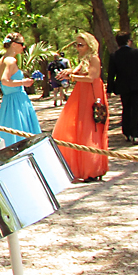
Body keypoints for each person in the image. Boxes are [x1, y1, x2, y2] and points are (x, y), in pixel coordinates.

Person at [53, 31, 108, 181]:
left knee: (91, 128)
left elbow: (92, 77)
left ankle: (93, 168)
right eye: (76, 44)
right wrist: (68, 72)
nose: (77, 47)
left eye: (80, 45)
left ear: (89, 45)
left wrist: (71, 76)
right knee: (79, 128)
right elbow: (78, 71)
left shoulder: (94, 58)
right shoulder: (83, 59)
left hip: (91, 93)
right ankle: (82, 166)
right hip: (81, 93)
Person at [0, 33, 41, 155]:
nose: (24, 47)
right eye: (22, 44)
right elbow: (5, 81)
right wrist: (23, 82)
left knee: (8, 129)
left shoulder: (2, 60)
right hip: (17, 101)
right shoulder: (10, 60)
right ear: (14, 44)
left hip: (8, 101)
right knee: (20, 130)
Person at [106, 31, 138, 144]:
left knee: (126, 108)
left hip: (123, 86)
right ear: (129, 41)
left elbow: (111, 74)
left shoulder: (114, 56)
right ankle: (135, 135)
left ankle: (127, 133)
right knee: (136, 109)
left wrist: (109, 90)